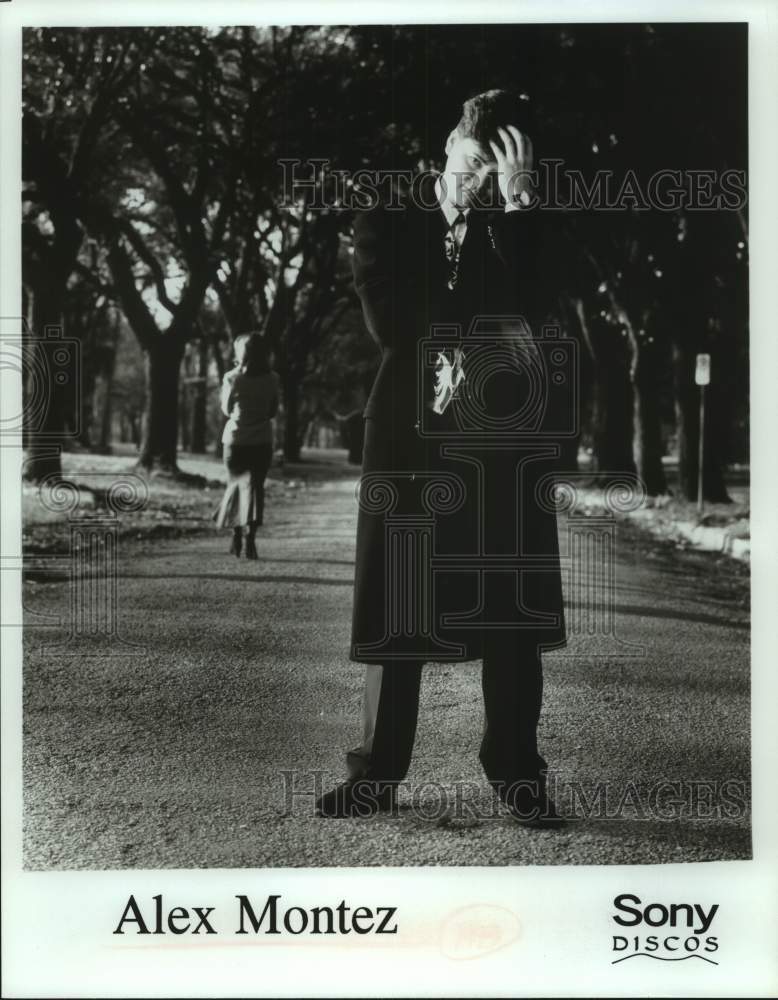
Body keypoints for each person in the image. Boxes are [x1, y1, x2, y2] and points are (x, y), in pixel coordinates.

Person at [316, 90, 570, 828]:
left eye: (495, 177)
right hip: (407, 443)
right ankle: (376, 773)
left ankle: (518, 773)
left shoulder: (518, 226)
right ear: (444, 151)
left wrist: (520, 214)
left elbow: (538, 309)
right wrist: (486, 321)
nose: (476, 186)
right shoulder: (386, 219)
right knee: (400, 609)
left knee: (512, 618)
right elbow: (390, 321)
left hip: (501, 446)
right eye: (468, 168)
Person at [213, 332, 280, 559]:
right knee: (256, 489)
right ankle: (251, 539)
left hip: (236, 441)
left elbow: (226, 409)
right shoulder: (273, 379)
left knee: (236, 487)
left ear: (241, 353)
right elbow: (272, 411)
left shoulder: (232, 378)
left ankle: (236, 536)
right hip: (262, 441)